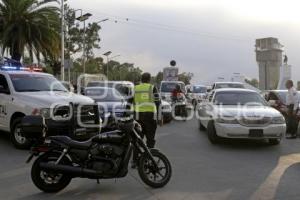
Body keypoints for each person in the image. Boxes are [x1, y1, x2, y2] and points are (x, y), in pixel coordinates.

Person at [132, 72, 161, 168]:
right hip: (149, 117)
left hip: (137, 117)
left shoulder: (135, 88)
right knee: (150, 140)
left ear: (141, 79)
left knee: (137, 139)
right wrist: (159, 118)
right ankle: (148, 160)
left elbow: (130, 102)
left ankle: (134, 162)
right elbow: (158, 103)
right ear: (149, 79)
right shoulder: (152, 88)